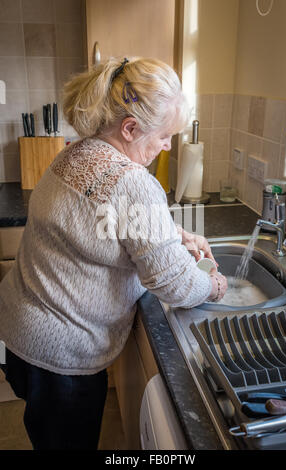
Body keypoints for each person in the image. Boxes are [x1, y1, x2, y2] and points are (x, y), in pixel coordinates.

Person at [0, 57, 227, 450]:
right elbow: (173, 283)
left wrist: (176, 234)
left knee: (45, 431)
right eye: (164, 136)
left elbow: (104, 224)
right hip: (61, 359)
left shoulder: (76, 153)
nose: (168, 145)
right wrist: (212, 285)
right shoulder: (133, 182)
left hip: (19, 337)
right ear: (131, 128)